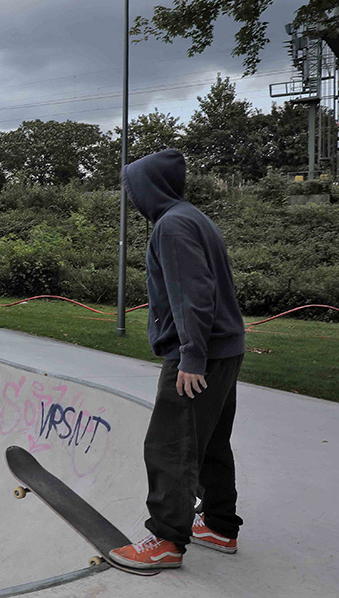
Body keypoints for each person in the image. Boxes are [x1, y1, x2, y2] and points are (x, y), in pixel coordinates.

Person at [109, 149, 246, 570]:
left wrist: (191, 356)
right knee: (210, 444)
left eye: (133, 189)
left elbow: (193, 294)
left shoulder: (171, 226)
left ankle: (167, 540)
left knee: (170, 445)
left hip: (199, 354)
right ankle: (220, 526)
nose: (131, 198)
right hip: (225, 348)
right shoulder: (193, 217)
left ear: (150, 188)